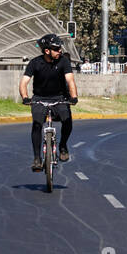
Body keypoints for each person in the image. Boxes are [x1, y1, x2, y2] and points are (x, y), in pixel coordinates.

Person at [19, 33, 79, 169]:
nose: (60, 51)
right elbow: (23, 82)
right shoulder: (35, 63)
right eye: (57, 49)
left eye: (60, 49)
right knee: (36, 125)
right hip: (39, 99)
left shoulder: (63, 61)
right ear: (47, 51)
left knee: (67, 120)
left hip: (60, 98)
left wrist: (73, 96)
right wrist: (25, 98)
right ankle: (37, 158)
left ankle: (63, 146)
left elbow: (70, 80)